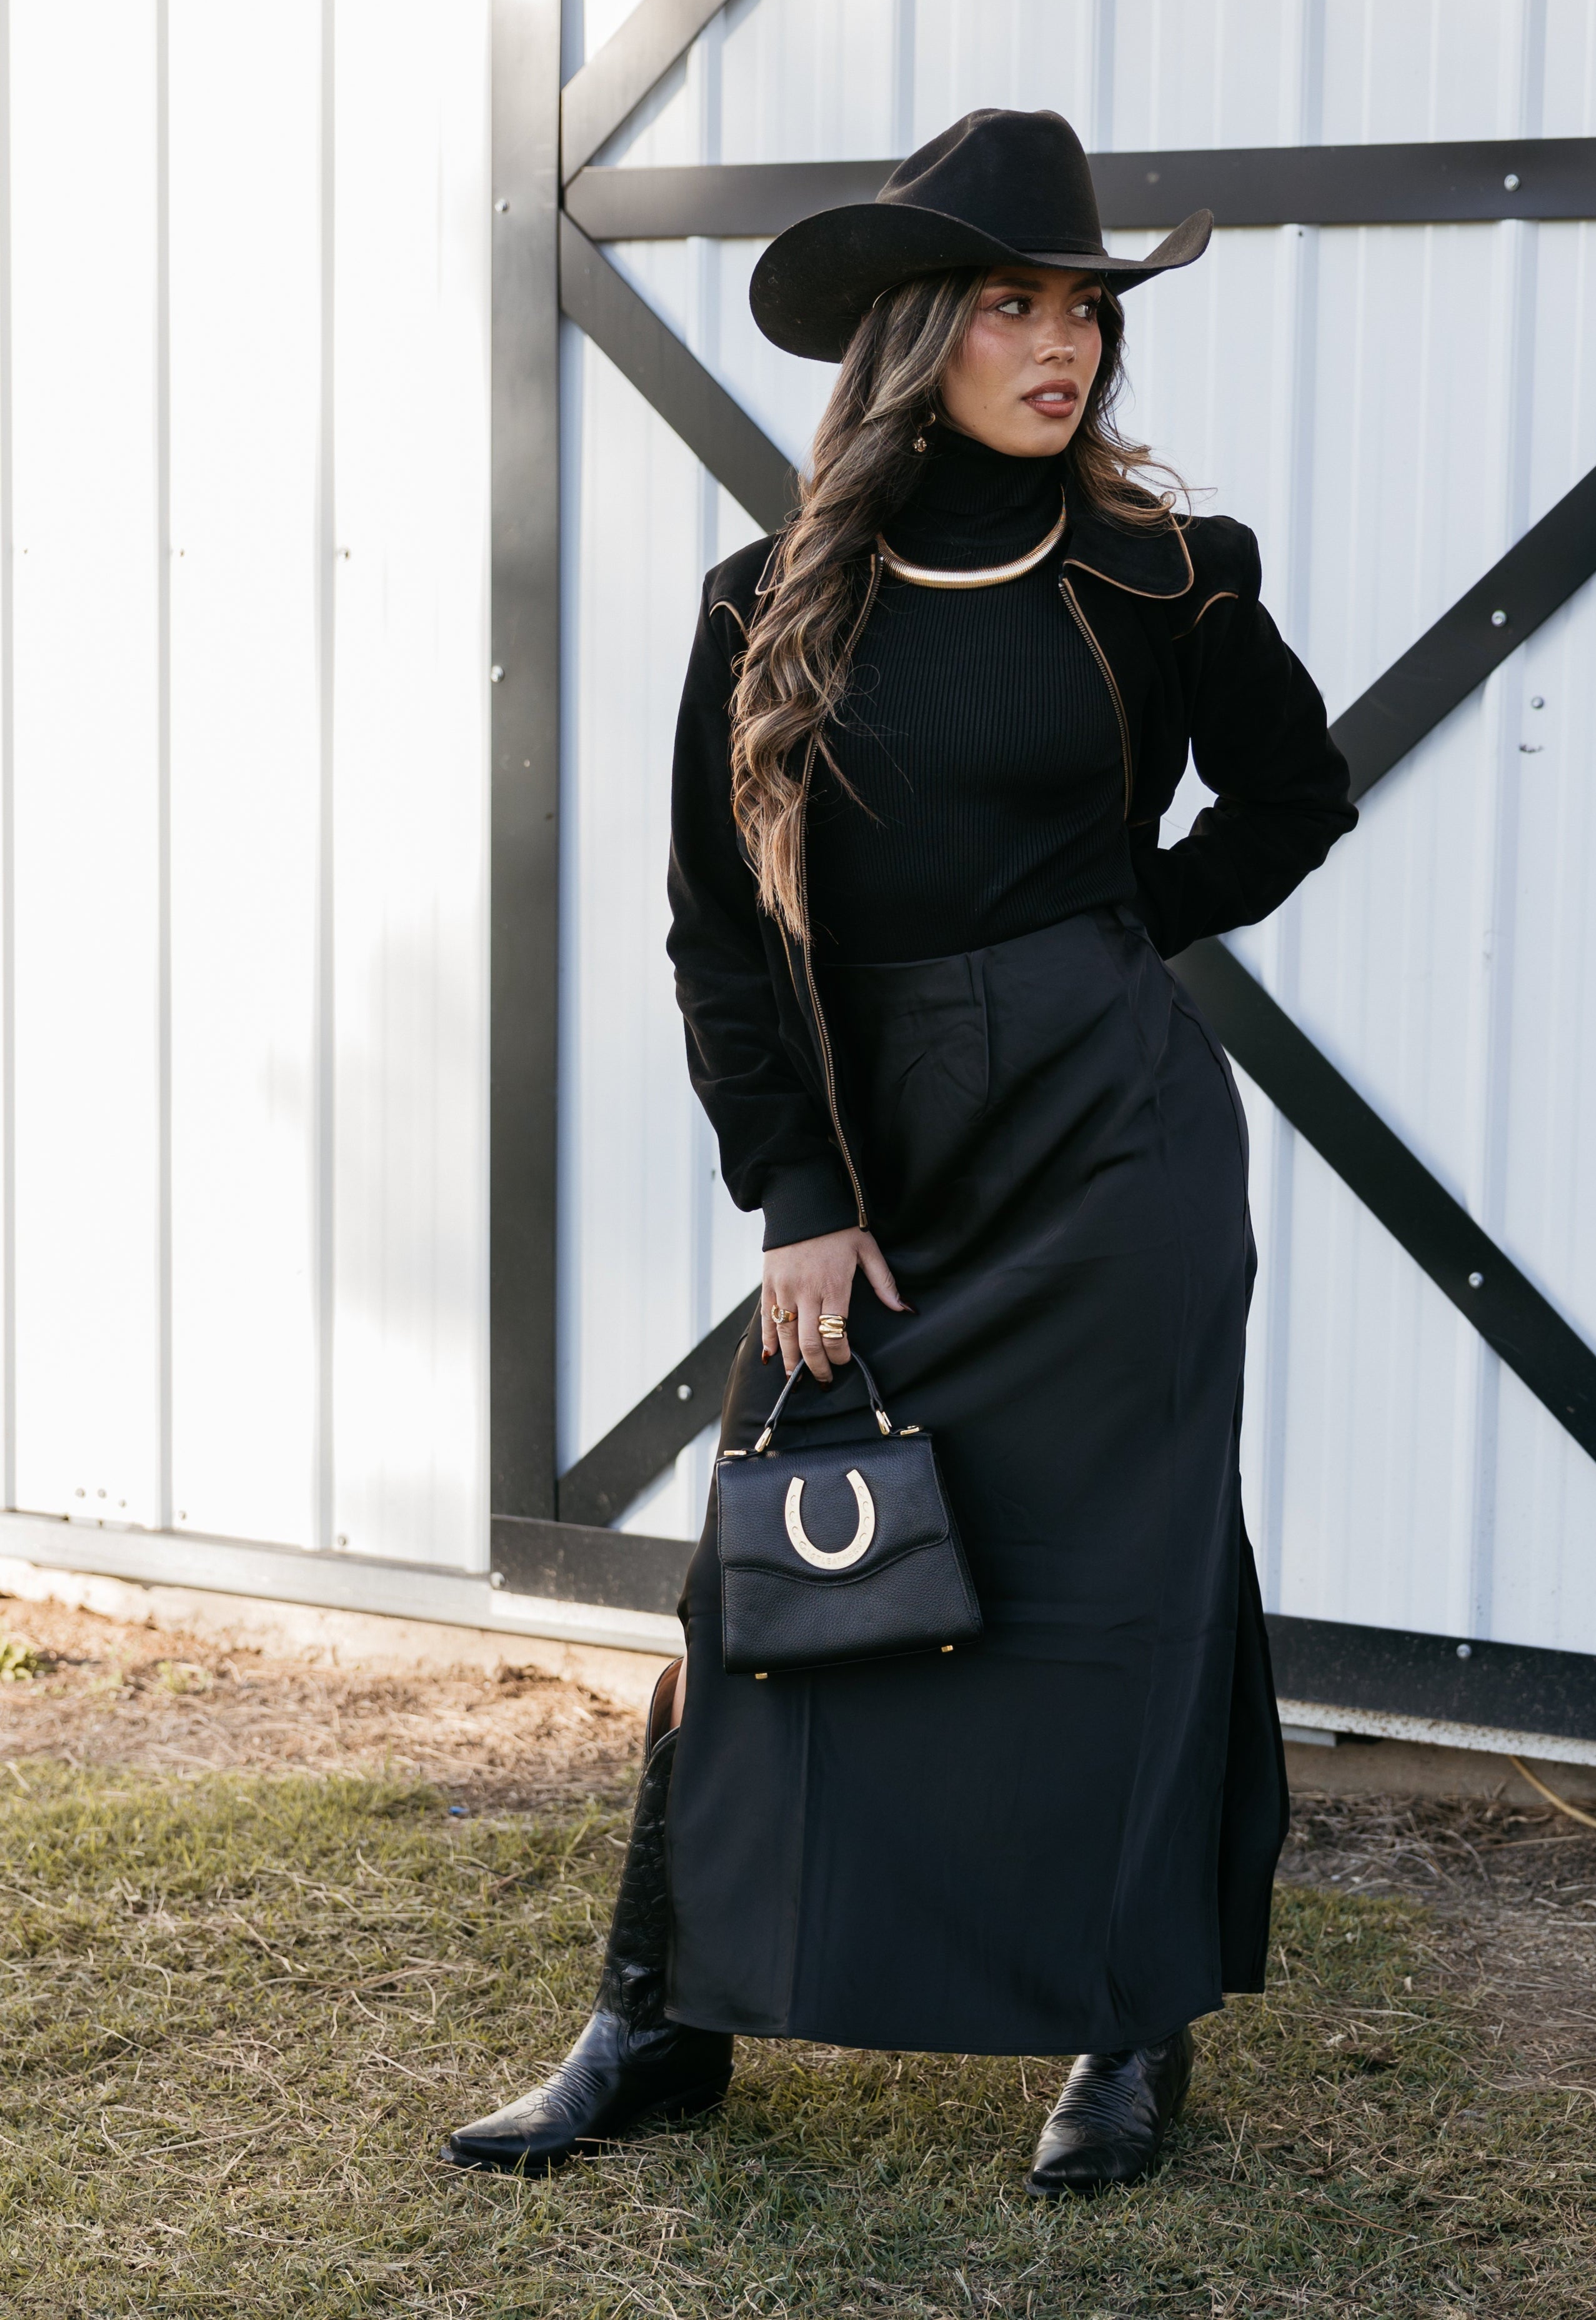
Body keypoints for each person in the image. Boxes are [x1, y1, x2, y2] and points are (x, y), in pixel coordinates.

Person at [445, 107, 1355, 2193]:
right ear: (916, 331)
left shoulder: (1164, 571)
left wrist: (1124, 933)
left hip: (1114, 1147)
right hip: (882, 1153)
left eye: (1087, 314)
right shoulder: (767, 601)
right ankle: (655, 2018)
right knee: (766, 1581)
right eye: (1019, 307)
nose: (1065, 348)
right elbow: (714, 929)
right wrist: (802, 1195)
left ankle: (1127, 2033)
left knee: (1124, 1585)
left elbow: (1296, 795)